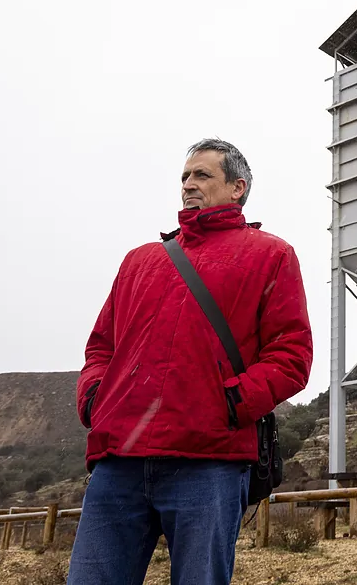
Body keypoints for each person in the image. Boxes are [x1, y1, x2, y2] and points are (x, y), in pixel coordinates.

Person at [68, 138, 313, 585]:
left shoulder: (271, 254)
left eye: (202, 175)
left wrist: (229, 405)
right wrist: (95, 401)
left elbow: (291, 354)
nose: (188, 185)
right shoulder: (140, 260)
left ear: (238, 188)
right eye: (185, 176)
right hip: (119, 458)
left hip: (209, 461)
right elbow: (101, 346)